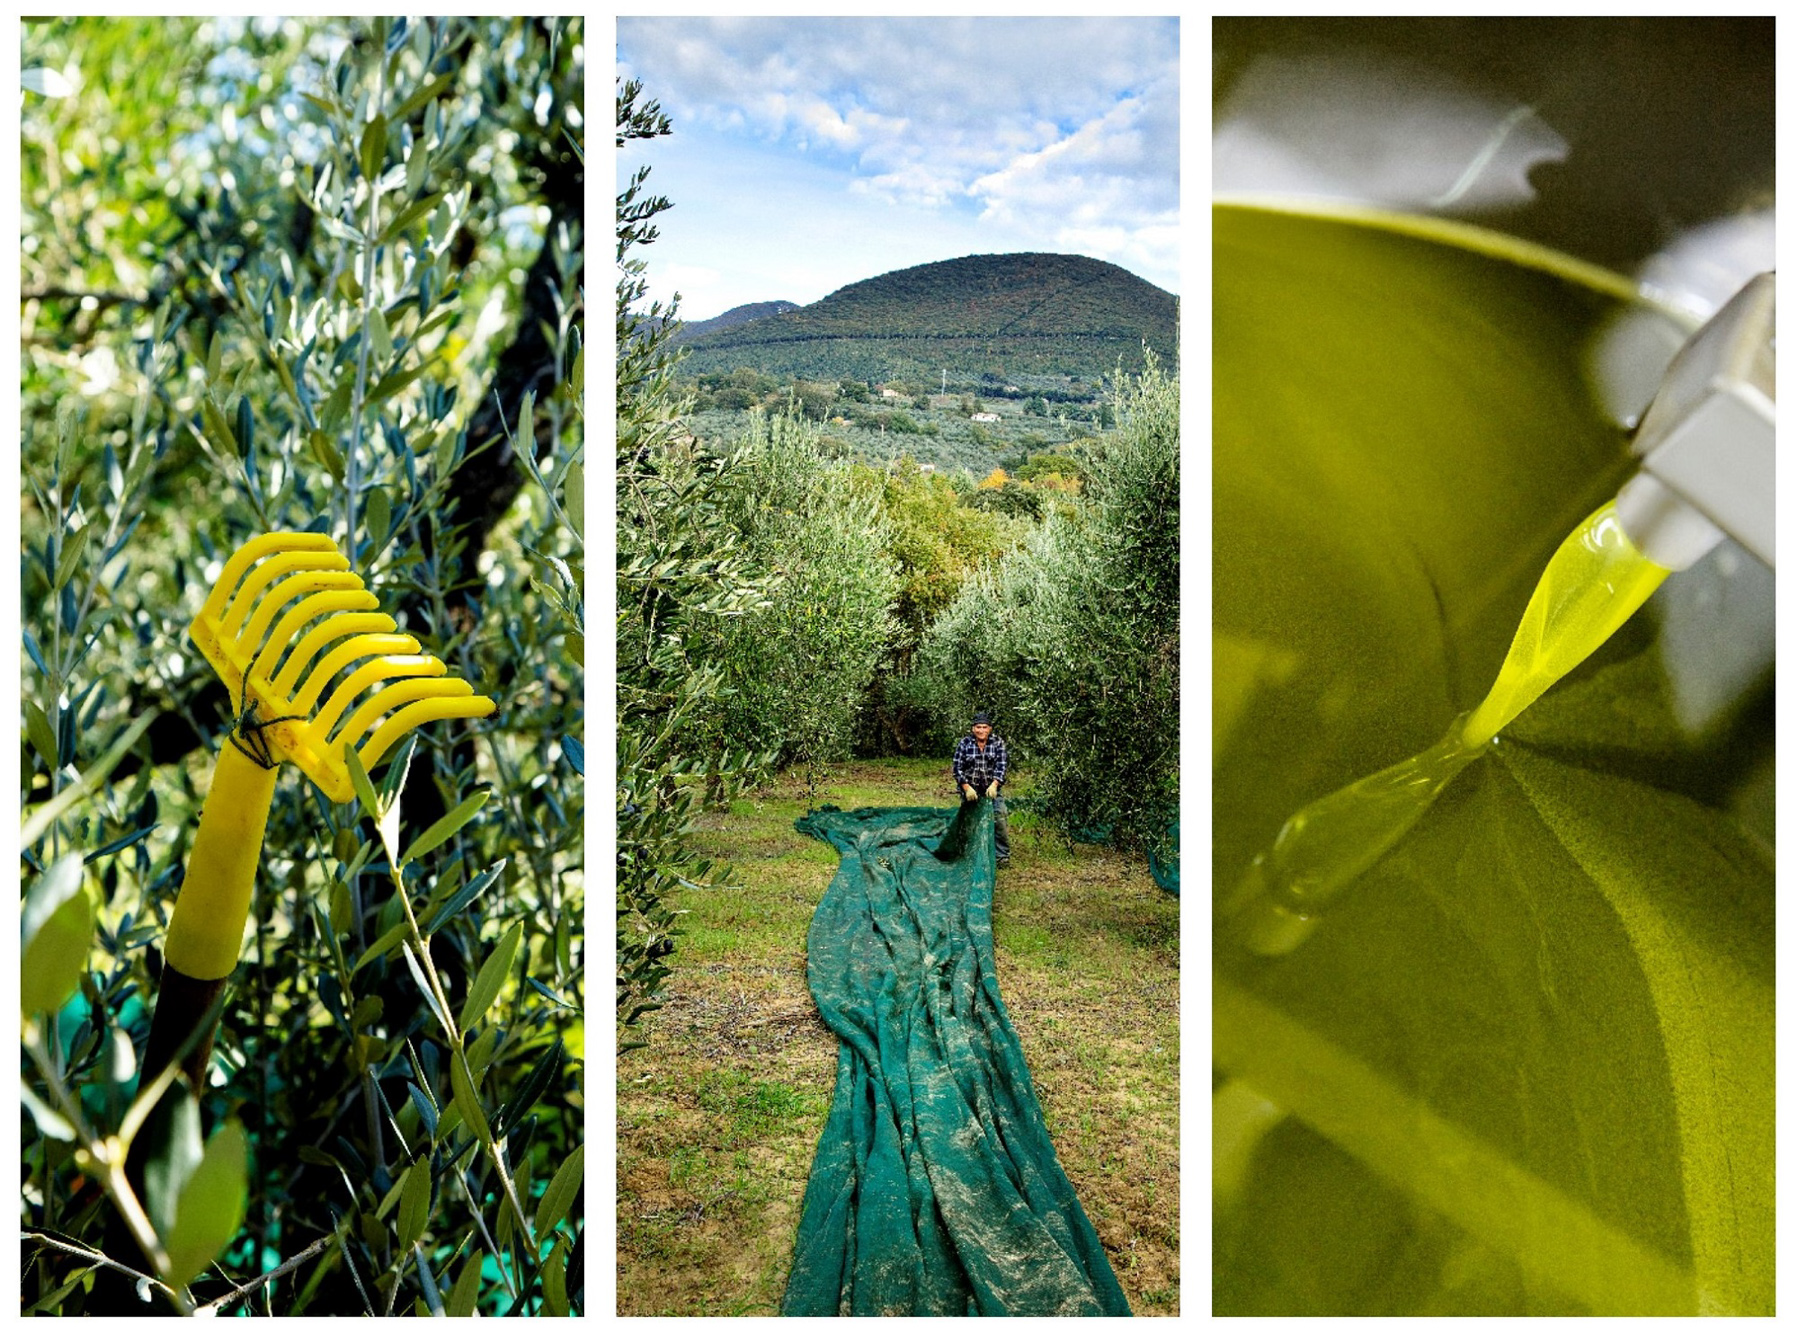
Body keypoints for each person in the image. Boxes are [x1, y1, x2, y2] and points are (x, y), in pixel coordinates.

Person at [953, 711, 1011, 868]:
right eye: (978, 727)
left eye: (984, 727)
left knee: (999, 819)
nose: (981, 730)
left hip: (991, 789)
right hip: (970, 789)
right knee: (969, 821)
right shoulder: (964, 743)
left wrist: (994, 784)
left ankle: (1002, 856)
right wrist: (966, 787)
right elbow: (957, 768)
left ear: (989, 729)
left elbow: (1002, 766)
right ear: (973, 729)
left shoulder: (998, 743)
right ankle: (968, 853)